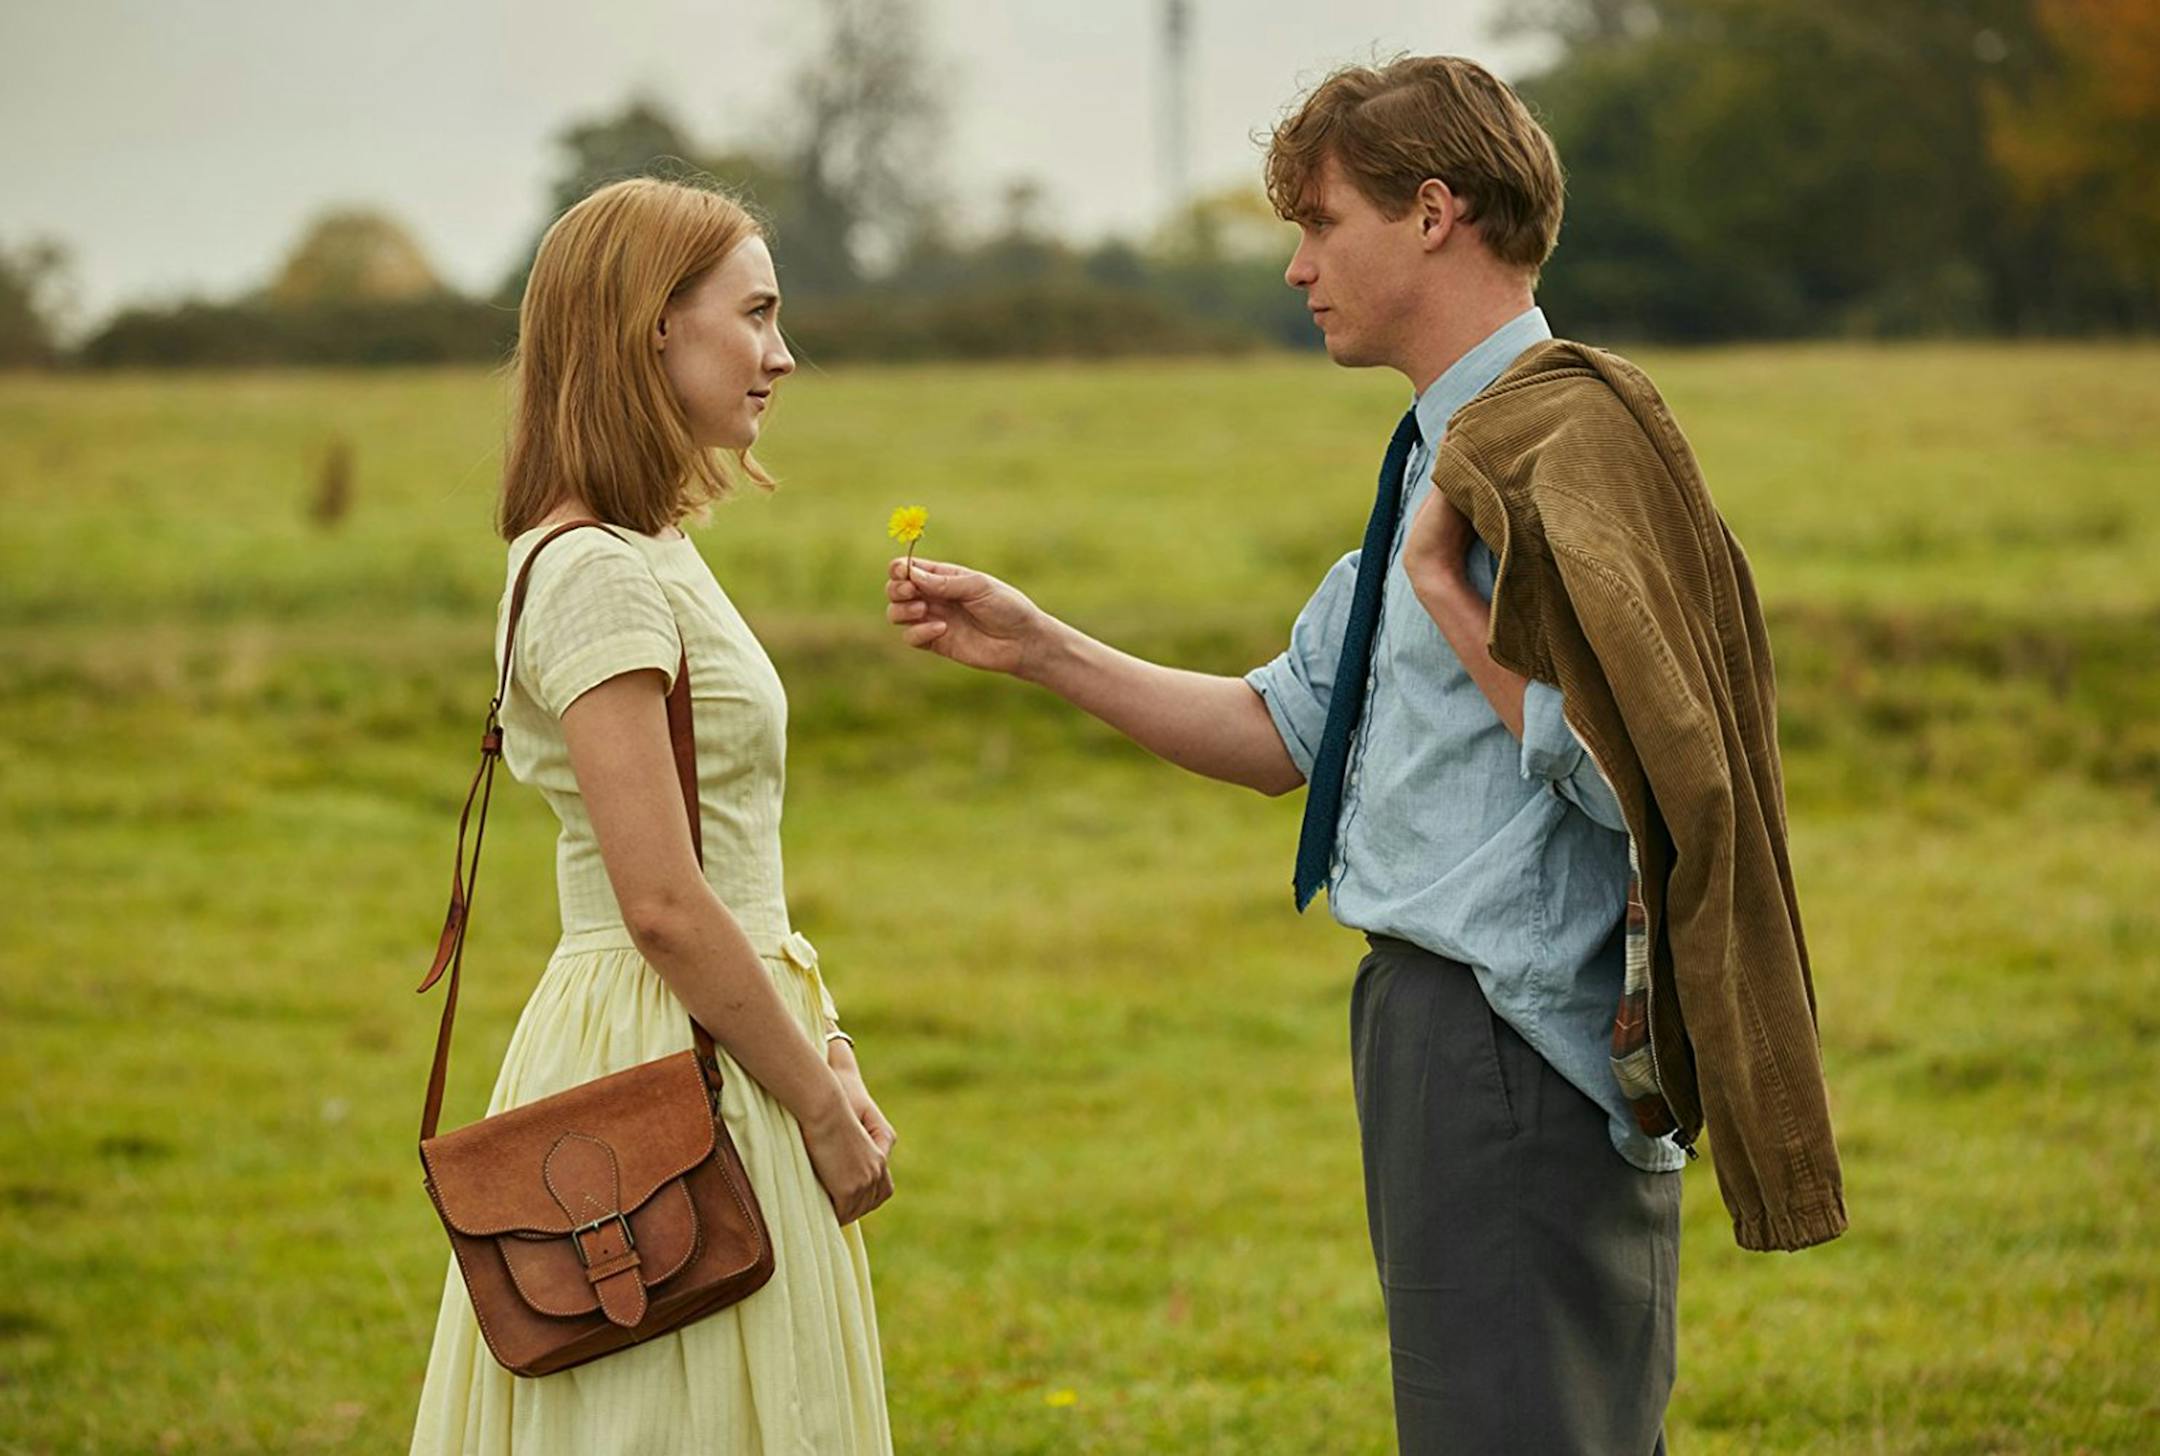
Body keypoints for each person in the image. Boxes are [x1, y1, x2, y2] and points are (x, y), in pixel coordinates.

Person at [882, 56, 1843, 1456]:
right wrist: (1037, 646)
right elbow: (1288, 730)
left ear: (1435, 212)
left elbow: (1650, 782)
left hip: (1516, 1044)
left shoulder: (1565, 445)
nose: (1296, 267)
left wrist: (1460, 605)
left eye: (1323, 223)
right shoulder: (1438, 461)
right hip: (1445, 1031)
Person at [409, 177, 895, 1456]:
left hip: (728, 1025)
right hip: (664, 1038)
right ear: (650, 333)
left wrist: (823, 1040)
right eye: (756, 315)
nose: (782, 354)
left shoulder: (651, 548)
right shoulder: (594, 574)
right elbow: (667, 902)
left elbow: (735, 862)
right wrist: (822, 1109)